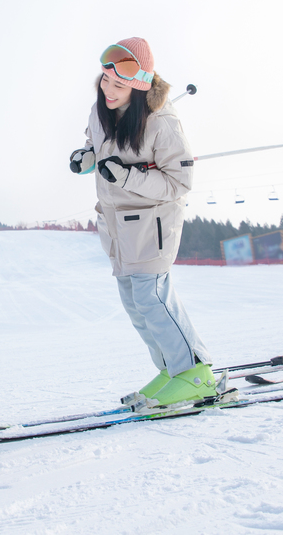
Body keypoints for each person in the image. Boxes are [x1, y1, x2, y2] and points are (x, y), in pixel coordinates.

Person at [69, 37, 215, 408]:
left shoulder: (161, 121)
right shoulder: (99, 111)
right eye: (105, 80)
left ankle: (195, 374)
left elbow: (179, 183)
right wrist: (87, 157)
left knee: (153, 298)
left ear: (138, 85)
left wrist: (126, 177)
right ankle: (171, 370)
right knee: (135, 302)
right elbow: (97, 145)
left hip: (154, 225)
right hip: (118, 227)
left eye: (119, 85)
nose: (108, 90)